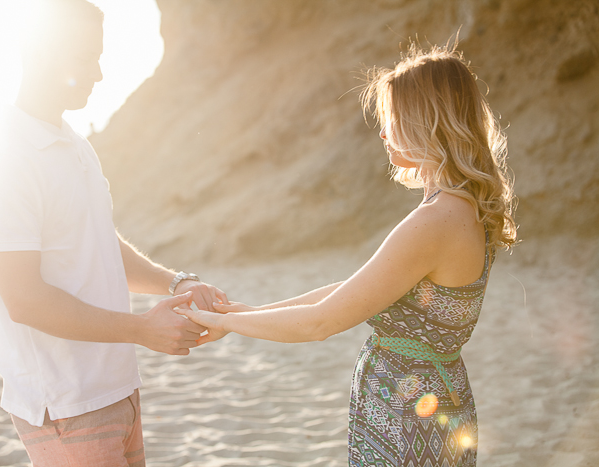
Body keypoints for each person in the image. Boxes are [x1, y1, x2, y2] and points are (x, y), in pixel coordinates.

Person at [177, 42, 517, 467]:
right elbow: (355, 289)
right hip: (432, 402)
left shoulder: (438, 220)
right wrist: (248, 312)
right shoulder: (459, 206)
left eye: (392, 120)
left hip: (410, 415)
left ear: (423, 122)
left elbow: (322, 322)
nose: (383, 132)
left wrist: (227, 323)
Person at [0, 1, 227, 465]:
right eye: (86, 56)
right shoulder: (3, 156)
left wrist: (176, 283)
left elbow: (101, 244)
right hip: (65, 404)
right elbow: (24, 300)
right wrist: (142, 329)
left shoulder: (74, 144)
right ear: (41, 53)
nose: (99, 73)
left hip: (117, 386)